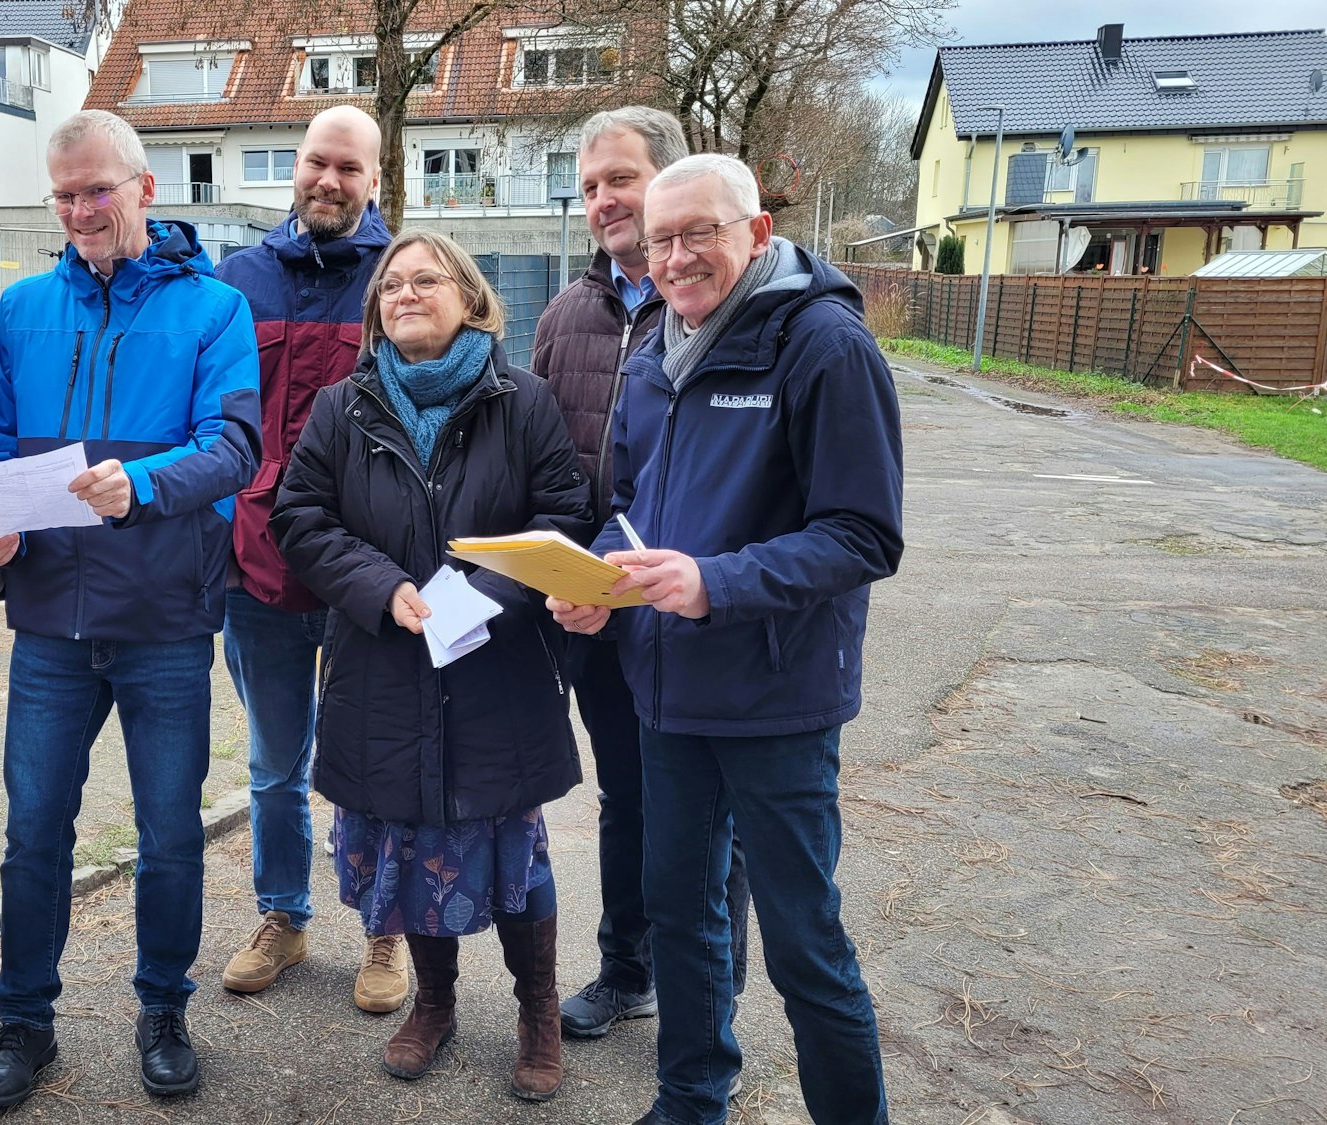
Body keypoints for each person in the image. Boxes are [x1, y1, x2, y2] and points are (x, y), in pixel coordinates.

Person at [548, 154, 903, 1124]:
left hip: (774, 698)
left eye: (696, 232)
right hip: (664, 692)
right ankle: (688, 1099)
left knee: (801, 943)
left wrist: (714, 583)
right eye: (660, 239)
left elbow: (863, 534)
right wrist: (596, 587)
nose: (674, 257)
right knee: (680, 915)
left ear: (753, 232)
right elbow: (627, 505)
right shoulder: (657, 347)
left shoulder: (822, 345)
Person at [0, 110, 259, 1111]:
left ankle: (162, 1008)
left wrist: (149, 482)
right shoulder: (21, 307)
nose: (82, 208)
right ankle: (25, 1023)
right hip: (48, 619)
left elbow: (234, 449)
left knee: (170, 833)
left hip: (164, 618)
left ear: (145, 190)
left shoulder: (214, 311)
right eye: (65, 193)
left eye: (99, 188)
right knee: (33, 830)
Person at [273, 230, 593, 1102]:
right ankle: (437, 1002)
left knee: (511, 846)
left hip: (495, 664)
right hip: (384, 659)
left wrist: (476, 596)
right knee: (414, 840)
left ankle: (537, 1012)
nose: (404, 294)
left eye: (426, 279)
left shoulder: (520, 400)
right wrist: (380, 587)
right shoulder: (343, 405)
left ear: (470, 295)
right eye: (390, 285)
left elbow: (562, 516)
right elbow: (299, 517)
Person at [532, 107, 754, 1044]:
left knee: (710, 812)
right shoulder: (566, 315)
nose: (603, 201)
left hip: (698, 605)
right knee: (625, 796)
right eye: (588, 186)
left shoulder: (717, 301)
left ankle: (711, 1003)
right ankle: (626, 967)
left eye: (619, 178)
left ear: (667, 183)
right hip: (599, 607)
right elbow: (542, 459)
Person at [211, 105, 408, 1011]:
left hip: (368, 568)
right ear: (296, 168)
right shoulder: (238, 279)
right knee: (274, 763)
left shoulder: (401, 276)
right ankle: (284, 918)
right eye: (316, 163)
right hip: (258, 563)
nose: (330, 180)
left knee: (374, 754)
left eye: (350, 169)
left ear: (376, 179)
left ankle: (385, 929)